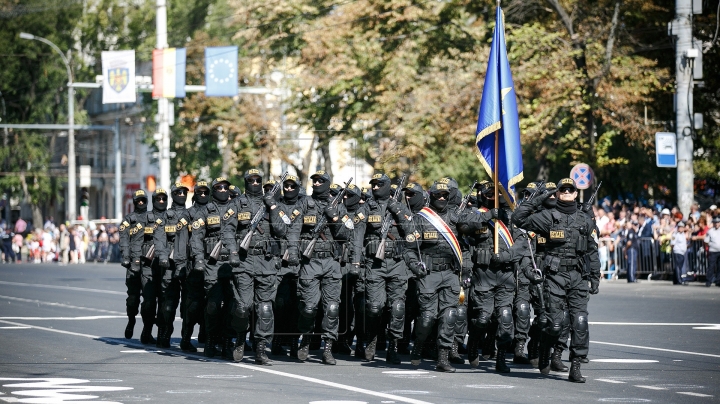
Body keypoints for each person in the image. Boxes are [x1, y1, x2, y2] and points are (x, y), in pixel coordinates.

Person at [512, 178, 601, 383]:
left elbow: (592, 250)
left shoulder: (585, 219)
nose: (567, 193)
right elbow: (518, 217)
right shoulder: (547, 217)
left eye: (571, 190)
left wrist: (595, 277)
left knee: (580, 322)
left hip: (578, 276)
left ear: (576, 194)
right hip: (554, 277)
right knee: (555, 324)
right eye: (563, 190)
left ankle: (575, 366)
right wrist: (541, 197)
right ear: (558, 193)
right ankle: (544, 349)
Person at [402, 182, 496, 373]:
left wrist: (490, 214)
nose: (442, 198)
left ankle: (443, 358)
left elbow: (472, 223)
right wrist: (415, 266)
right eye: (438, 195)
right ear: (432, 196)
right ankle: (418, 345)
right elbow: (409, 249)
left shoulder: (456, 215)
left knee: (450, 316)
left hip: (451, 273)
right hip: (428, 274)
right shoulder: (421, 218)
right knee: (427, 318)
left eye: (445, 195)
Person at [288, 170, 354, 365]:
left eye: (320, 181)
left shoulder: (338, 206)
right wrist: (293, 253)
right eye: (314, 181)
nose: (316, 184)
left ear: (327, 183)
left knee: (332, 308)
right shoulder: (304, 203)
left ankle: (327, 348)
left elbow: (346, 235)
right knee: (309, 308)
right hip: (310, 262)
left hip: (332, 263)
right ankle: (306, 338)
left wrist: (335, 219)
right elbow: (293, 230)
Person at [228, 169, 287, 365]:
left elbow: (282, 229)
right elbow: (227, 230)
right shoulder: (237, 204)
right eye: (250, 180)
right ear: (245, 182)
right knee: (243, 306)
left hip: (267, 262)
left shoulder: (272, 203)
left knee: (264, 309)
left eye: (257, 180)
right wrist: (233, 252)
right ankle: (239, 337)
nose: (254, 183)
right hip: (244, 262)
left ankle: (261, 347)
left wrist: (272, 206)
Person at [353, 173, 411, 364]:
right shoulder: (366, 208)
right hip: (374, 264)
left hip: (397, 264)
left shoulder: (401, 208)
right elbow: (358, 236)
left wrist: (398, 212)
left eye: (379, 184)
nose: (375, 187)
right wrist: (355, 262)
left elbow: (412, 233)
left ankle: (393, 345)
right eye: (373, 184)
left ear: (387, 186)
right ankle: (372, 338)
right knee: (374, 307)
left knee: (397, 308)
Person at [189, 177, 240, 358]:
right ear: (213, 191)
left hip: (233, 263)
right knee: (213, 305)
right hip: (212, 263)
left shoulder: (236, 208)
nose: (223, 189)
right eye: (218, 187)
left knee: (233, 305)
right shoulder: (205, 212)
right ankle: (211, 339)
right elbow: (196, 237)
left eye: (225, 187)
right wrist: (198, 259)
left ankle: (227, 341)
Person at [155, 183, 193, 349]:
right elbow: (159, 237)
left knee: (188, 304)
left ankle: (185, 339)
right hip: (169, 264)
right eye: (178, 192)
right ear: (173, 195)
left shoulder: (192, 214)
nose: (181, 195)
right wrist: (162, 256)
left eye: (184, 192)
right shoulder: (164, 216)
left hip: (187, 264)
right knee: (169, 304)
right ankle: (165, 332)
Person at [119, 189, 158, 344]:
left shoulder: (152, 218)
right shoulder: (128, 220)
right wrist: (126, 258)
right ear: (134, 202)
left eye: (143, 200)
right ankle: (131, 320)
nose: (141, 203)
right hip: (133, 264)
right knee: (133, 300)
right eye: (138, 201)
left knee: (149, 300)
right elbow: (123, 241)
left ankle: (146, 331)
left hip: (148, 264)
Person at [704, 217, 720, 287]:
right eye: (715, 222)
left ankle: (718, 281)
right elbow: (706, 241)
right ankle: (708, 281)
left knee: (719, 267)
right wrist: (711, 245)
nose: (716, 224)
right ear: (713, 223)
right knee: (711, 266)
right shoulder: (710, 231)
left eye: (718, 222)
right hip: (713, 251)